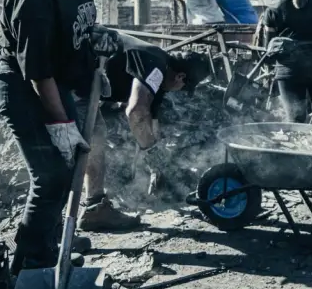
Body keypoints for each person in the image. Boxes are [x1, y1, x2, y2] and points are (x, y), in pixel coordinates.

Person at [0, 0, 104, 274]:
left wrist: (98, 39)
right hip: (25, 88)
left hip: (56, 85)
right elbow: (37, 68)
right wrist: (60, 123)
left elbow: (78, 25)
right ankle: (29, 266)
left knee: (69, 167)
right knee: (51, 175)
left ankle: (53, 246)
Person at [75, 31, 213, 221]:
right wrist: (151, 153)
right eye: (185, 87)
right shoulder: (156, 66)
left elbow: (151, 121)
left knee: (96, 134)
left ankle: (94, 207)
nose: (181, 91)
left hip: (85, 85)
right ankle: (92, 210)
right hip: (72, 78)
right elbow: (136, 112)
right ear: (180, 77)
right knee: (94, 138)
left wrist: (159, 167)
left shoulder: (160, 77)